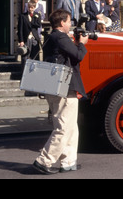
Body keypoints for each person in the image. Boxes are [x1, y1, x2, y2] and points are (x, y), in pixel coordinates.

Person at [33, 9, 88, 174]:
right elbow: (78, 55)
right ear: (62, 22)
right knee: (63, 127)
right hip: (64, 88)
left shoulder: (50, 37)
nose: (71, 24)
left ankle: (68, 162)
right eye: (69, 21)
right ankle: (44, 161)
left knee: (71, 127)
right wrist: (83, 43)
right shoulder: (61, 37)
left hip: (54, 85)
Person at [17, 1, 42, 69]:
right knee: (25, 55)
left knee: (35, 55)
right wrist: (21, 40)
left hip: (34, 37)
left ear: (34, 8)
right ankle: (23, 72)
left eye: (32, 8)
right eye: (29, 7)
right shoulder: (22, 16)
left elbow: (38, 25)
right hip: (26, 38)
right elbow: (20, 29)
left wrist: (32, 20)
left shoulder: (37, 15)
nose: (30, 9)